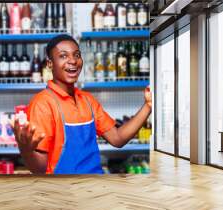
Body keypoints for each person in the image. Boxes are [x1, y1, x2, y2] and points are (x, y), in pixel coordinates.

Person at [11, 34, 152, 174]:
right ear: (50, 64)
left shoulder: (87, 100)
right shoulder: (43, 104)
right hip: (62, 191)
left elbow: (118, 138)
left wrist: (148, 106)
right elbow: (39, 169)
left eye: (76, 55)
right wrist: (26, 150)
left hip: (93, 186)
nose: (72, 60)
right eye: (63, 56)